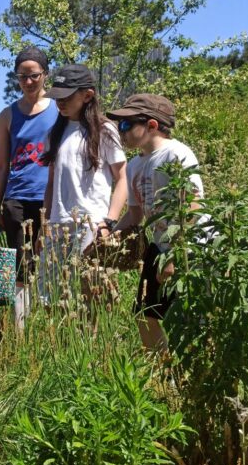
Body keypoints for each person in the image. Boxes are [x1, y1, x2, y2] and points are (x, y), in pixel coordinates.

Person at [106, 94, 204, 352]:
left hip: (188, 250)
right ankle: (161, 375)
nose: (121, 132)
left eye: (126, 125)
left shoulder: (177, 153)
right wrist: (110, 237)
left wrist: (174, 253)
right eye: (119, 126)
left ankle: (188, 379)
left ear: (151, 125)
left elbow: (192, 206)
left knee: (189, 319)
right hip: (159, 248)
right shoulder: (135, 165)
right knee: (145, 313)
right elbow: (135, 215)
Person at [0, 47, 58, 324]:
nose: (28, 82)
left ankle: (50, 324)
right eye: (22, 76)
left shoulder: (59, 109)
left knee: (49, 262)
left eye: (33, 75)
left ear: (45, 74)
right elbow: (2, 164)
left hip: (51, 197)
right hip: (16, 198)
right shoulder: (8, 115)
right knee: (21, 265)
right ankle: (21, 328)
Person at [39, 64, 128, 256]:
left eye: (67, 97)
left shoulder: (104, 130)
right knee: (50, 285)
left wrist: (109, 222)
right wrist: (43, 224)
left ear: (87, 96)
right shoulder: (53, 134)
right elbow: (51, 183)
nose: (60, 102)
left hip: (91, 224)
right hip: (56, 225)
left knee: (88, 284)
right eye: (57, 97)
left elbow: (122, 178)